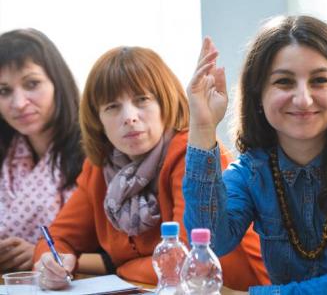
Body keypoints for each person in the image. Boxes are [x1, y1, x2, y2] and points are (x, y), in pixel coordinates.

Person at [183, 15, 327, 294]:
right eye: (284, 82)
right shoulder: (252, 168)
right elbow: (210, 241)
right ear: (259, 94)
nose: (303, 99)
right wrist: (202, 126)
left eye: (320, 80)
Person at [32, 46, 269, 290]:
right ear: (97, 119)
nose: (129, 117)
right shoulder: (99, 168)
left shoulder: (194, 152)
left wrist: (118, 269)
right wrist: (51, 262)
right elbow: (56, 238)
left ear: (165, 103)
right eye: (112, 106)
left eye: (142, 100)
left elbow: (187, 261)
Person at [0, 28, 84, 272]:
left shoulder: (94, 150)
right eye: (4, 91)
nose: (19, 103)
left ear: (58, 81)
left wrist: (40, 253)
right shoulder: (7, 154)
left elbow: (115, 246)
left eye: (32, 84)